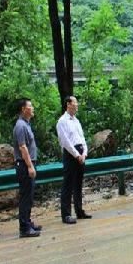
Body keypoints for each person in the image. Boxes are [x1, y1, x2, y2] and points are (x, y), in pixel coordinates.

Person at [56, 96, 91, 224]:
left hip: (81, 153)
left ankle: (79, 210)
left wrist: (84, 153)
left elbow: (82, 138)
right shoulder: (62, 121)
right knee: (68, 185)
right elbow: (65, 141)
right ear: (68, 104)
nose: (77, 105)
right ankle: (66, 214)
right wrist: (77, 155)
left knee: (78, 183)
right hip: (70, 154)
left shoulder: (76, 121)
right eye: (75, 102)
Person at [12, 98, 41, 238]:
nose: (33, 108)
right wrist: (30, 166)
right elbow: (22, 147)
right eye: (30, 106)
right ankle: (24, 228)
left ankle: (28, 222)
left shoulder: (26, 124)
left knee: (29, 196)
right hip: (24, 165)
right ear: (24, 109)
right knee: (25, 197)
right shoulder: (20, 126)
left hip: (28, 164)